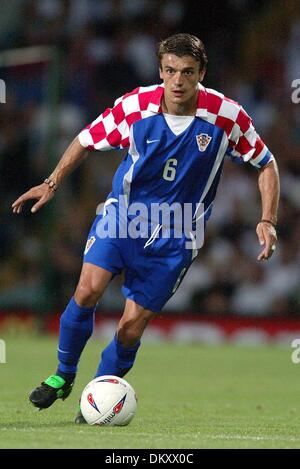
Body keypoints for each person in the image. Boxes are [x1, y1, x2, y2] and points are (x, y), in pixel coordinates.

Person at [12, 33, 279, 423]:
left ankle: (99, 400)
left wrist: (267, 219)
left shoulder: (226, 115)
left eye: (187, 72)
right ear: (160, 70)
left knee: (130, 330)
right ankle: (63, 375)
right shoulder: (135, 106)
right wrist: (51, 183)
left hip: (177, 235)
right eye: (170, 70)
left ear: (201, 73)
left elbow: (266, 163)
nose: (177, 81)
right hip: (123, 217)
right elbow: (86, 139)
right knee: (86, 291)